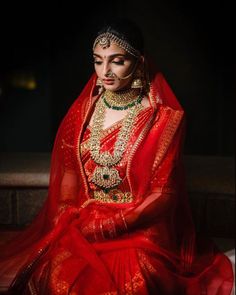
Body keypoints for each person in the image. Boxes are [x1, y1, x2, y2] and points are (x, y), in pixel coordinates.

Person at [0, 18, 234, 295]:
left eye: (117, 61)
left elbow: (163, 196)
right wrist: (68, 213)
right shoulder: (84, 111)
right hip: (86, 219)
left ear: (139, 62)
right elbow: (70, 175)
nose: (105, 71)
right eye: (98, 61)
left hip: (139, 230)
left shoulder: (163, 118)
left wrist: (111, 226)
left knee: (135, 281)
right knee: (57, 276)